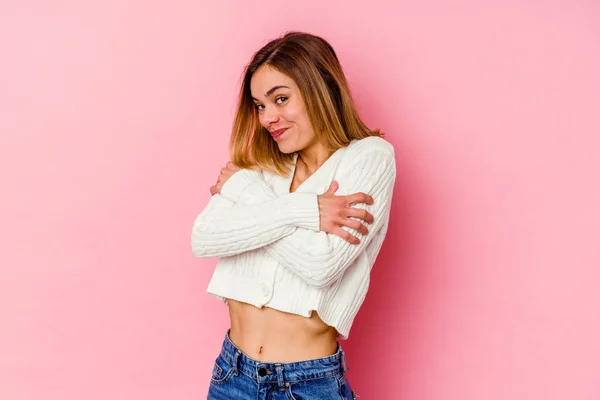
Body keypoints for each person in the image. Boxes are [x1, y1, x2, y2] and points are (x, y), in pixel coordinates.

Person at [191, 31, 396, 400]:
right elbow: (204, 237)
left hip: (308, 384)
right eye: (259, 106)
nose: (268, 118)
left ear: (320, 90)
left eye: (280, 99)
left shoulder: (370, 157)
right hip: (231, 376)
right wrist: (306, 211)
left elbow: (322, 264)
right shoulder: (262, 161)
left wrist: (246, 197)